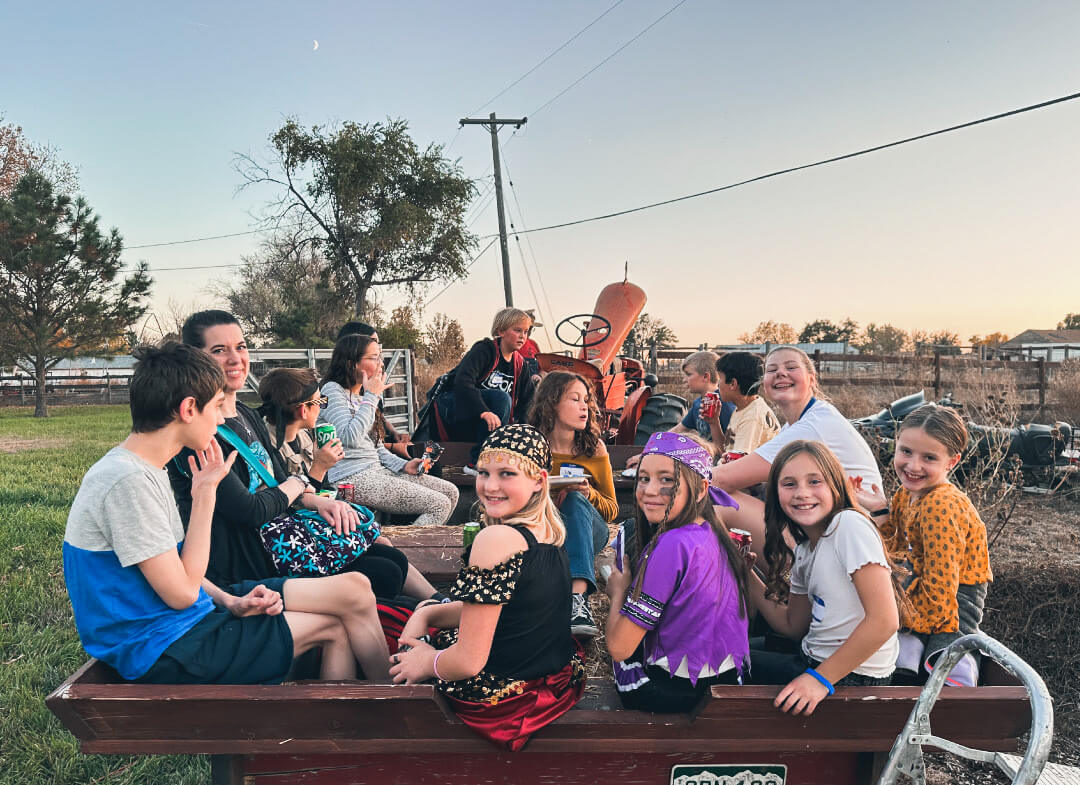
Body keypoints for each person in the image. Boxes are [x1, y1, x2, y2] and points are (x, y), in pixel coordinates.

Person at [64, 342, 385, 684]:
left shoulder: (143, 468)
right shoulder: (126, 482)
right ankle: (382, 717)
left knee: (355, 587)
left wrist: (231, 601)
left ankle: (389, 702)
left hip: (182, 621)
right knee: (332, 628)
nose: (221, 419)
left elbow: (168, 566)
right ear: (189, 409)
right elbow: (182, 594)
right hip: (159, 645)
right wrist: (204, 497)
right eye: (217, 407)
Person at [389, 424, 586, 751]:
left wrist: (427, 662)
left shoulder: (496, 539)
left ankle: (374, 720)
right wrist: (430, 612)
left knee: (385, 622)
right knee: (407, 612)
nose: (490, 486)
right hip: (550, 680)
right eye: (483, 473)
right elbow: (509, 609)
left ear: (538, 479)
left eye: (506, 474)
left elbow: (467, 663)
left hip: (504, 699)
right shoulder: (548, 529)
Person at [257, 366, 443, 603]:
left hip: (317, 521)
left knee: (385, 548)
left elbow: (318, 489)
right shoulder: (269, 447)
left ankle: (436, 601)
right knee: (387, 571)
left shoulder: (304, 436)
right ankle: (410, 609)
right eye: (319, 401)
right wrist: (320, 468)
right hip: (301, 542)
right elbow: (288, 503)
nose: (323, 406)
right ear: (304, 410)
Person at [602, 431, 750, 712]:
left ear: (702, 489)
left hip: (673, 693)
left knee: (623, 655)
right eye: (643, 478)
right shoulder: (714, 533)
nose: (649, 490)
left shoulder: (671, 544)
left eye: (667, 480)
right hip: (727, 679)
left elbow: (618, 647)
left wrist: (619, 592)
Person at [749, 440, 900, 714]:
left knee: (724, 661)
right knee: (732, 647)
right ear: (776, 494)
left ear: (836, 485)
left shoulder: (848, 526)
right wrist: (743, 571)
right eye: (789, 484)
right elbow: (792, 626)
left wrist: (819, 680)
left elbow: (885, 621)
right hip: (813, 657)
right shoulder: (806, 551)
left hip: (850, 676)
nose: (802, 493)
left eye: (814, 481)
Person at [856, 404, 992, 687]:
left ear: (951, 462)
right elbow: (895, 547)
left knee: (944, 655)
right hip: (921, 582)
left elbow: (942, 595)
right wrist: (881, 511)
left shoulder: (940, 506)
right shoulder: (907, 494)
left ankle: (953, 671)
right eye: (905, 451)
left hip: (956, 596)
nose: (913, 465)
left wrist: (898, 618)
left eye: (929, 457)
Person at [710, 346, 883, 560]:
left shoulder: (814, 425)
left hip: (846, 541)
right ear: (764, 383)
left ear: (812, 379)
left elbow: (721, 480)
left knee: (719, 500)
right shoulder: (800, 422)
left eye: (791, 367)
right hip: (829, 526)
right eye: (772, 370)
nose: (780, 373)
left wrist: (673, 477)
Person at [320, 333, 459, 527]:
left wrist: (403, 465)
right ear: (352, 364)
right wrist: (372, 395)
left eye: (380, 356)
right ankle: (407, 554)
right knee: (439, 504)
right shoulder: (332, 390)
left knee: (451, 492)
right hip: (349, 478)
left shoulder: (360, 397)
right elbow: (348, 438)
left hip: (375, 470)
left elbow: (375, 448)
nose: (381, 363)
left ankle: (404, 546)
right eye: (374, 357)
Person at [529, 371, 618, 637]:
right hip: (546, 528)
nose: (584, 407)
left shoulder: (594, 448)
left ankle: (578, 601)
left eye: (586, 400)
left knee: (575, 498)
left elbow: (612, 510)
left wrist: (588, 494)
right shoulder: (533, 444)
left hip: (591, 531)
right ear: (552, 403)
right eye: (575, 399)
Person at [434, 307, 537, 464]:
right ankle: (478, 461)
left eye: (526, 332)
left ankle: (496, 455)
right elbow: (463, 382)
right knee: (502, 398)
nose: (523, 336)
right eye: (517, 330)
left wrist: (524, 435)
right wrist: (483, 411)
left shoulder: (520, 364)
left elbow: (527, 401)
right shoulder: (485, 350)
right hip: (457, 408)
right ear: (501, 331)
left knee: (518, 403)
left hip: (489, 422)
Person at [715, 351, 780, 454]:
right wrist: (713, 422)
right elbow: (726, 452)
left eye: (720, 379)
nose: (717, 384)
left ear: (733, 384)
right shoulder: (746, 407)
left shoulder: (752, 417)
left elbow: (738, 463)